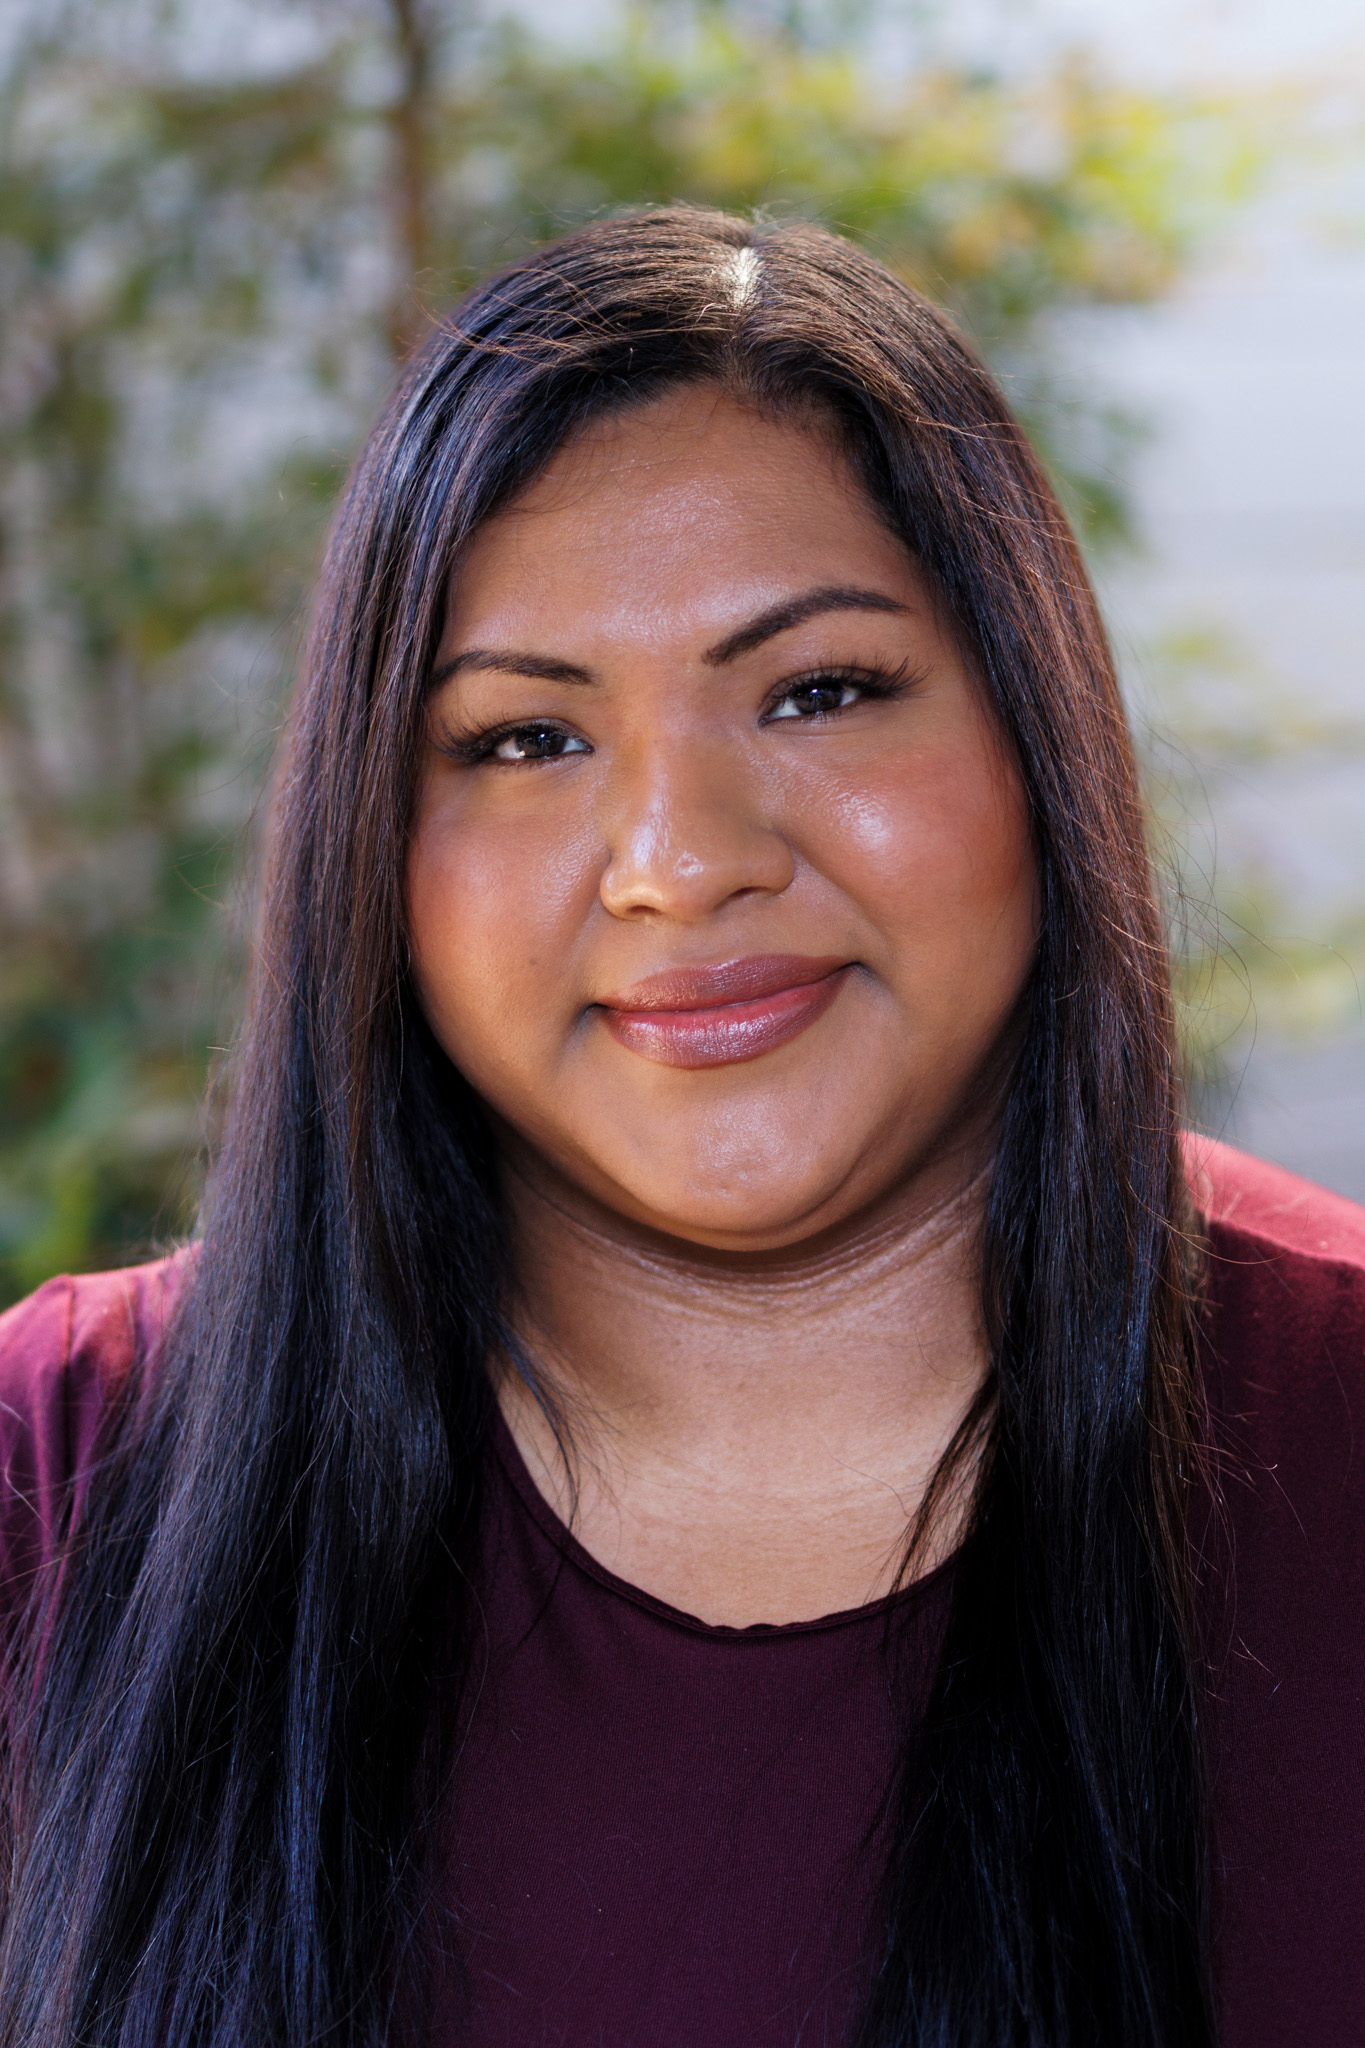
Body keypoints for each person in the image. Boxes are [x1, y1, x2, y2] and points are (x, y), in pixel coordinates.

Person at [0, 207, 1361, 2048]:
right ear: (375, 847)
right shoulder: (60, 1474)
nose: (682, 863)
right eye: (521, 741)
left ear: (1037, 736)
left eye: (818, 691)